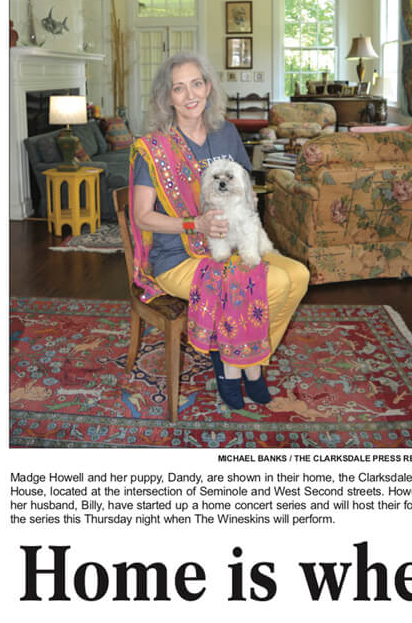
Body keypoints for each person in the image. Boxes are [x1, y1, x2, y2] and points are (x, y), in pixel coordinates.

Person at [129, 52, 309, 410]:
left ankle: (245, 356)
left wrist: (249, 205)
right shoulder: (154, 148)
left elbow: (246, 185)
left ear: (208, 87)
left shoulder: (225, 132)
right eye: (178, 88)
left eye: (196, 83)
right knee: (265, 282)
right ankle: (232, 369)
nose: (190, 94)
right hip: (178, 255)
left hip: (235, 239)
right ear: (167, 97)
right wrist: (194, 223)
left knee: (298, 276)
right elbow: (142, 216)